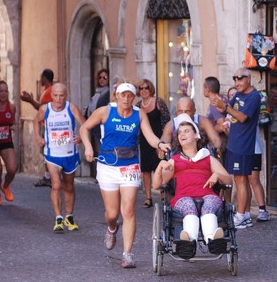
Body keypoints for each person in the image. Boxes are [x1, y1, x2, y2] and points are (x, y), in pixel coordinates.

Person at [80, 81, 171, 269]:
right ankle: (112, 227)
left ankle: (128, 254)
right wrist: (88, 146)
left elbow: (150, 136)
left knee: (128, 210)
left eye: (130, 96)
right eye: (123, 95)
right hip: (107, 165)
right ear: (116, 96)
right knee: (112, 213)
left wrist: (160, 144)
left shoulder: (139, 114)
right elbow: (84, 128)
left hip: (129, 165)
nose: (127, 99)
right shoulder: (105, 111)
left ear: (134, 98)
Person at [152, 113, 232, 251]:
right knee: (189, 206)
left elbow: (228, 180)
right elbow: (157, 185)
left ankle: (213, 240)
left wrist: (216, 175)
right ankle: (188, 243)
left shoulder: (208, 158)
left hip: (208, 195)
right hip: (183, 197)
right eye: (180, 133)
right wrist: (160, 166)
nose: (182, 134)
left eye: (187, 131)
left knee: (209, 206)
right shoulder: (174, 160)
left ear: (196, 135)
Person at [210, 68, 261, 229]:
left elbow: (242, 117)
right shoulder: (238, 95)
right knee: (240, 180)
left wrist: (225, 107)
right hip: (234, 142)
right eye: (235, 80)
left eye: (240, 79)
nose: (237, 83)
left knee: (241, 179)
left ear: (248, 79)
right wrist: (217, 102)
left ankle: (241, 215)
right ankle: (244, 215)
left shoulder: (254, 97)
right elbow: (226, 111)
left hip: (244, 144)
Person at [33, 83, 85, 233]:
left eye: (61, 95)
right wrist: (38, 137)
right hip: (52, 154)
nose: (58, 99)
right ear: (51, 96)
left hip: (69, 154)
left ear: (66, 96)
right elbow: (36, 121)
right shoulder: (45, 109)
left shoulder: (71, 108)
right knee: (56, 185)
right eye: (55, 95)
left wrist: (81, 137)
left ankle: (69, 216)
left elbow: (85, 124)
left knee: (69, 185)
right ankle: (58, 219)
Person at [136, 78, 170, 208]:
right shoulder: (138, 106)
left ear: (151, 89)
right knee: (145, 169)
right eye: (141, 88)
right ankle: (148, 197)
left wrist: (163, 140)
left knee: (159, 167)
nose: (144, 90)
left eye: (146, 88)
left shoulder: (158, 102)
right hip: (144, 141)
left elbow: (167, 121)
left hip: (159, 139)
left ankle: (163, 195)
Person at [21, 68, 55, 187]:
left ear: (45, 78)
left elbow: (42, 109)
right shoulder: (48, 91)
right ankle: (50, 176)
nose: (40, 79)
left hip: (47, 126)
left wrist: (30, 101)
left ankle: (49, 177)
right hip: (46, 125)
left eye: (41, 77)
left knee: (46, 152)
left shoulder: (49, 91)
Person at [85, 68, 110, 178]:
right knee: (99, 150)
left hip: (103, 127)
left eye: (105, 77)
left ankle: (103, 174)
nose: (102, 79)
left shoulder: (108, 92)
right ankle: (100, 174)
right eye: (100, 77)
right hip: (95, 127)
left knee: (103, 150)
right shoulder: (97, 93)